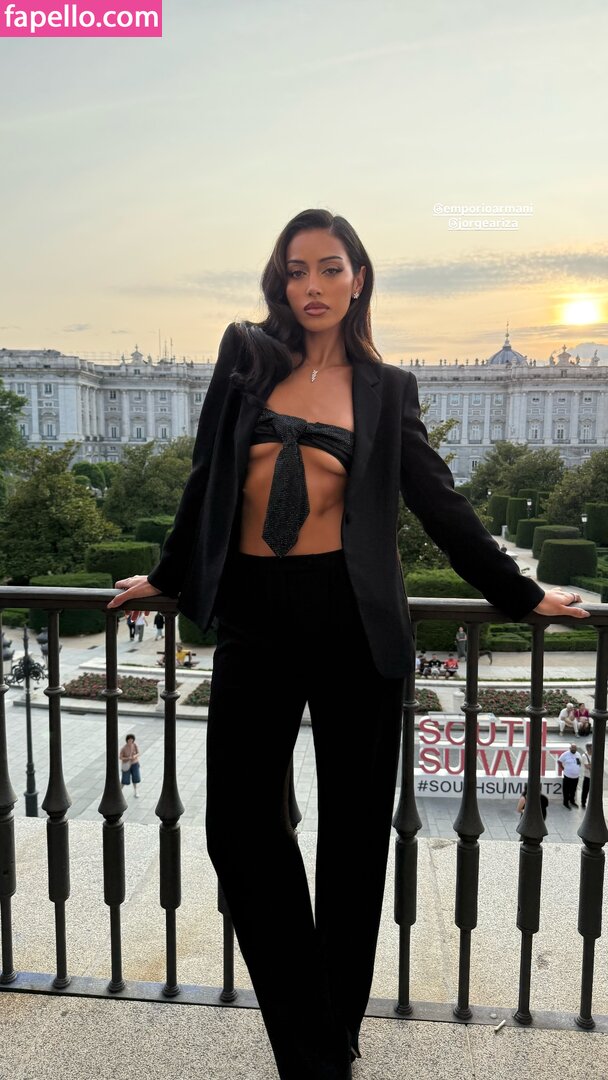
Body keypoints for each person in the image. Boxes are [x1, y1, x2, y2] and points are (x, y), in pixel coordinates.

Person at [106, 209, 589, 1080]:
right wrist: (167, 574)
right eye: (296, 270)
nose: (313, 285)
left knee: (355, 844)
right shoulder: (245, 359)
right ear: (279, 281)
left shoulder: (387, 388)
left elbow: (440, 503)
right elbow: (207, 478)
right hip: (256, 615)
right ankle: (311, 1033)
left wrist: (521, 594)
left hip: (352, 620)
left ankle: (332, 1041)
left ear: (358, 278)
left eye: (330, 267)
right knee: (237, 831)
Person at [558, 743, 582, 809]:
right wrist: (563, 768)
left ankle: (572, 801)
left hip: (576, 777)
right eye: (572, 748)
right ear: (570, 748)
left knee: (573, 790)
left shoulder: (578, 754)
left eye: (575, 748)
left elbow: (579, 762)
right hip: (567, 776)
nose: (573, 749)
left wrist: (577, 769)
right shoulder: (565, 754)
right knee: (566, 790)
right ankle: (565, 803)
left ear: (576, 749)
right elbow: (559, 761)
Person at [581, 743, 592, 809]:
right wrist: (590, 765)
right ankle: (583, 803)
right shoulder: (584, 756)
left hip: (593, 776)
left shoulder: (594, 754)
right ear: (588, 748)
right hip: (587, 776)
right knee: (585, 791)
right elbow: (587, 766)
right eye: (591, 747)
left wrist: (590, 765)